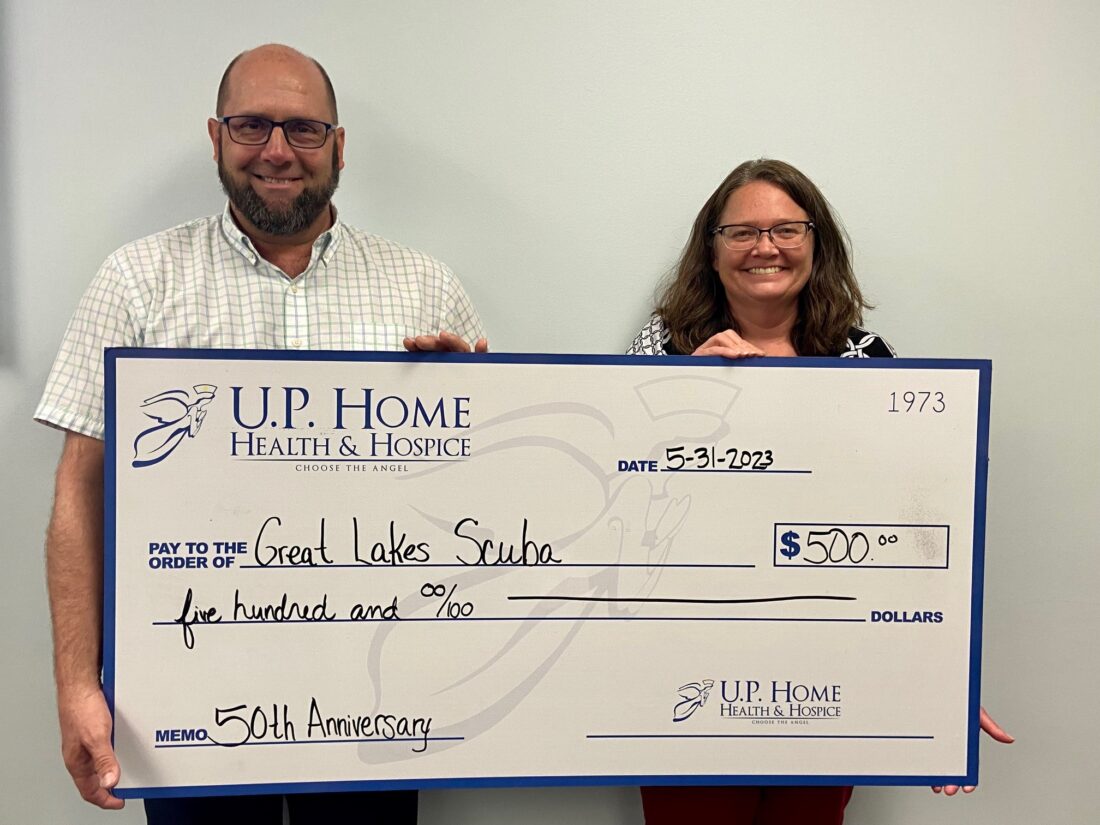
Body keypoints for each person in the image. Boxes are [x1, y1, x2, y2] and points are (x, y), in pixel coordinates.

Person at [35, 43, 485, 823]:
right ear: (216, 137)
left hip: (375, 692)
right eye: (252, 125)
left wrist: (469, 416)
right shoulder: (138, 279)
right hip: (186, 693)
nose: (277, 150)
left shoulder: (424, 286)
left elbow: (486, 500)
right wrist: (77, 684)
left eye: (304, 129)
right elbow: (80, 489)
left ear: (339, 146)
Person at [627, 158, 1012, 823]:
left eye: (786, 229)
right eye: (742, 232)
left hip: (826, 667)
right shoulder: (663, 348)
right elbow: (622, 498)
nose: (765, 247)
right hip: (685, 658)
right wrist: (686, 390)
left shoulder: (866, 358)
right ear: (712, 250)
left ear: (816, 242)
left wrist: (939, 675)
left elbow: (909, 528)